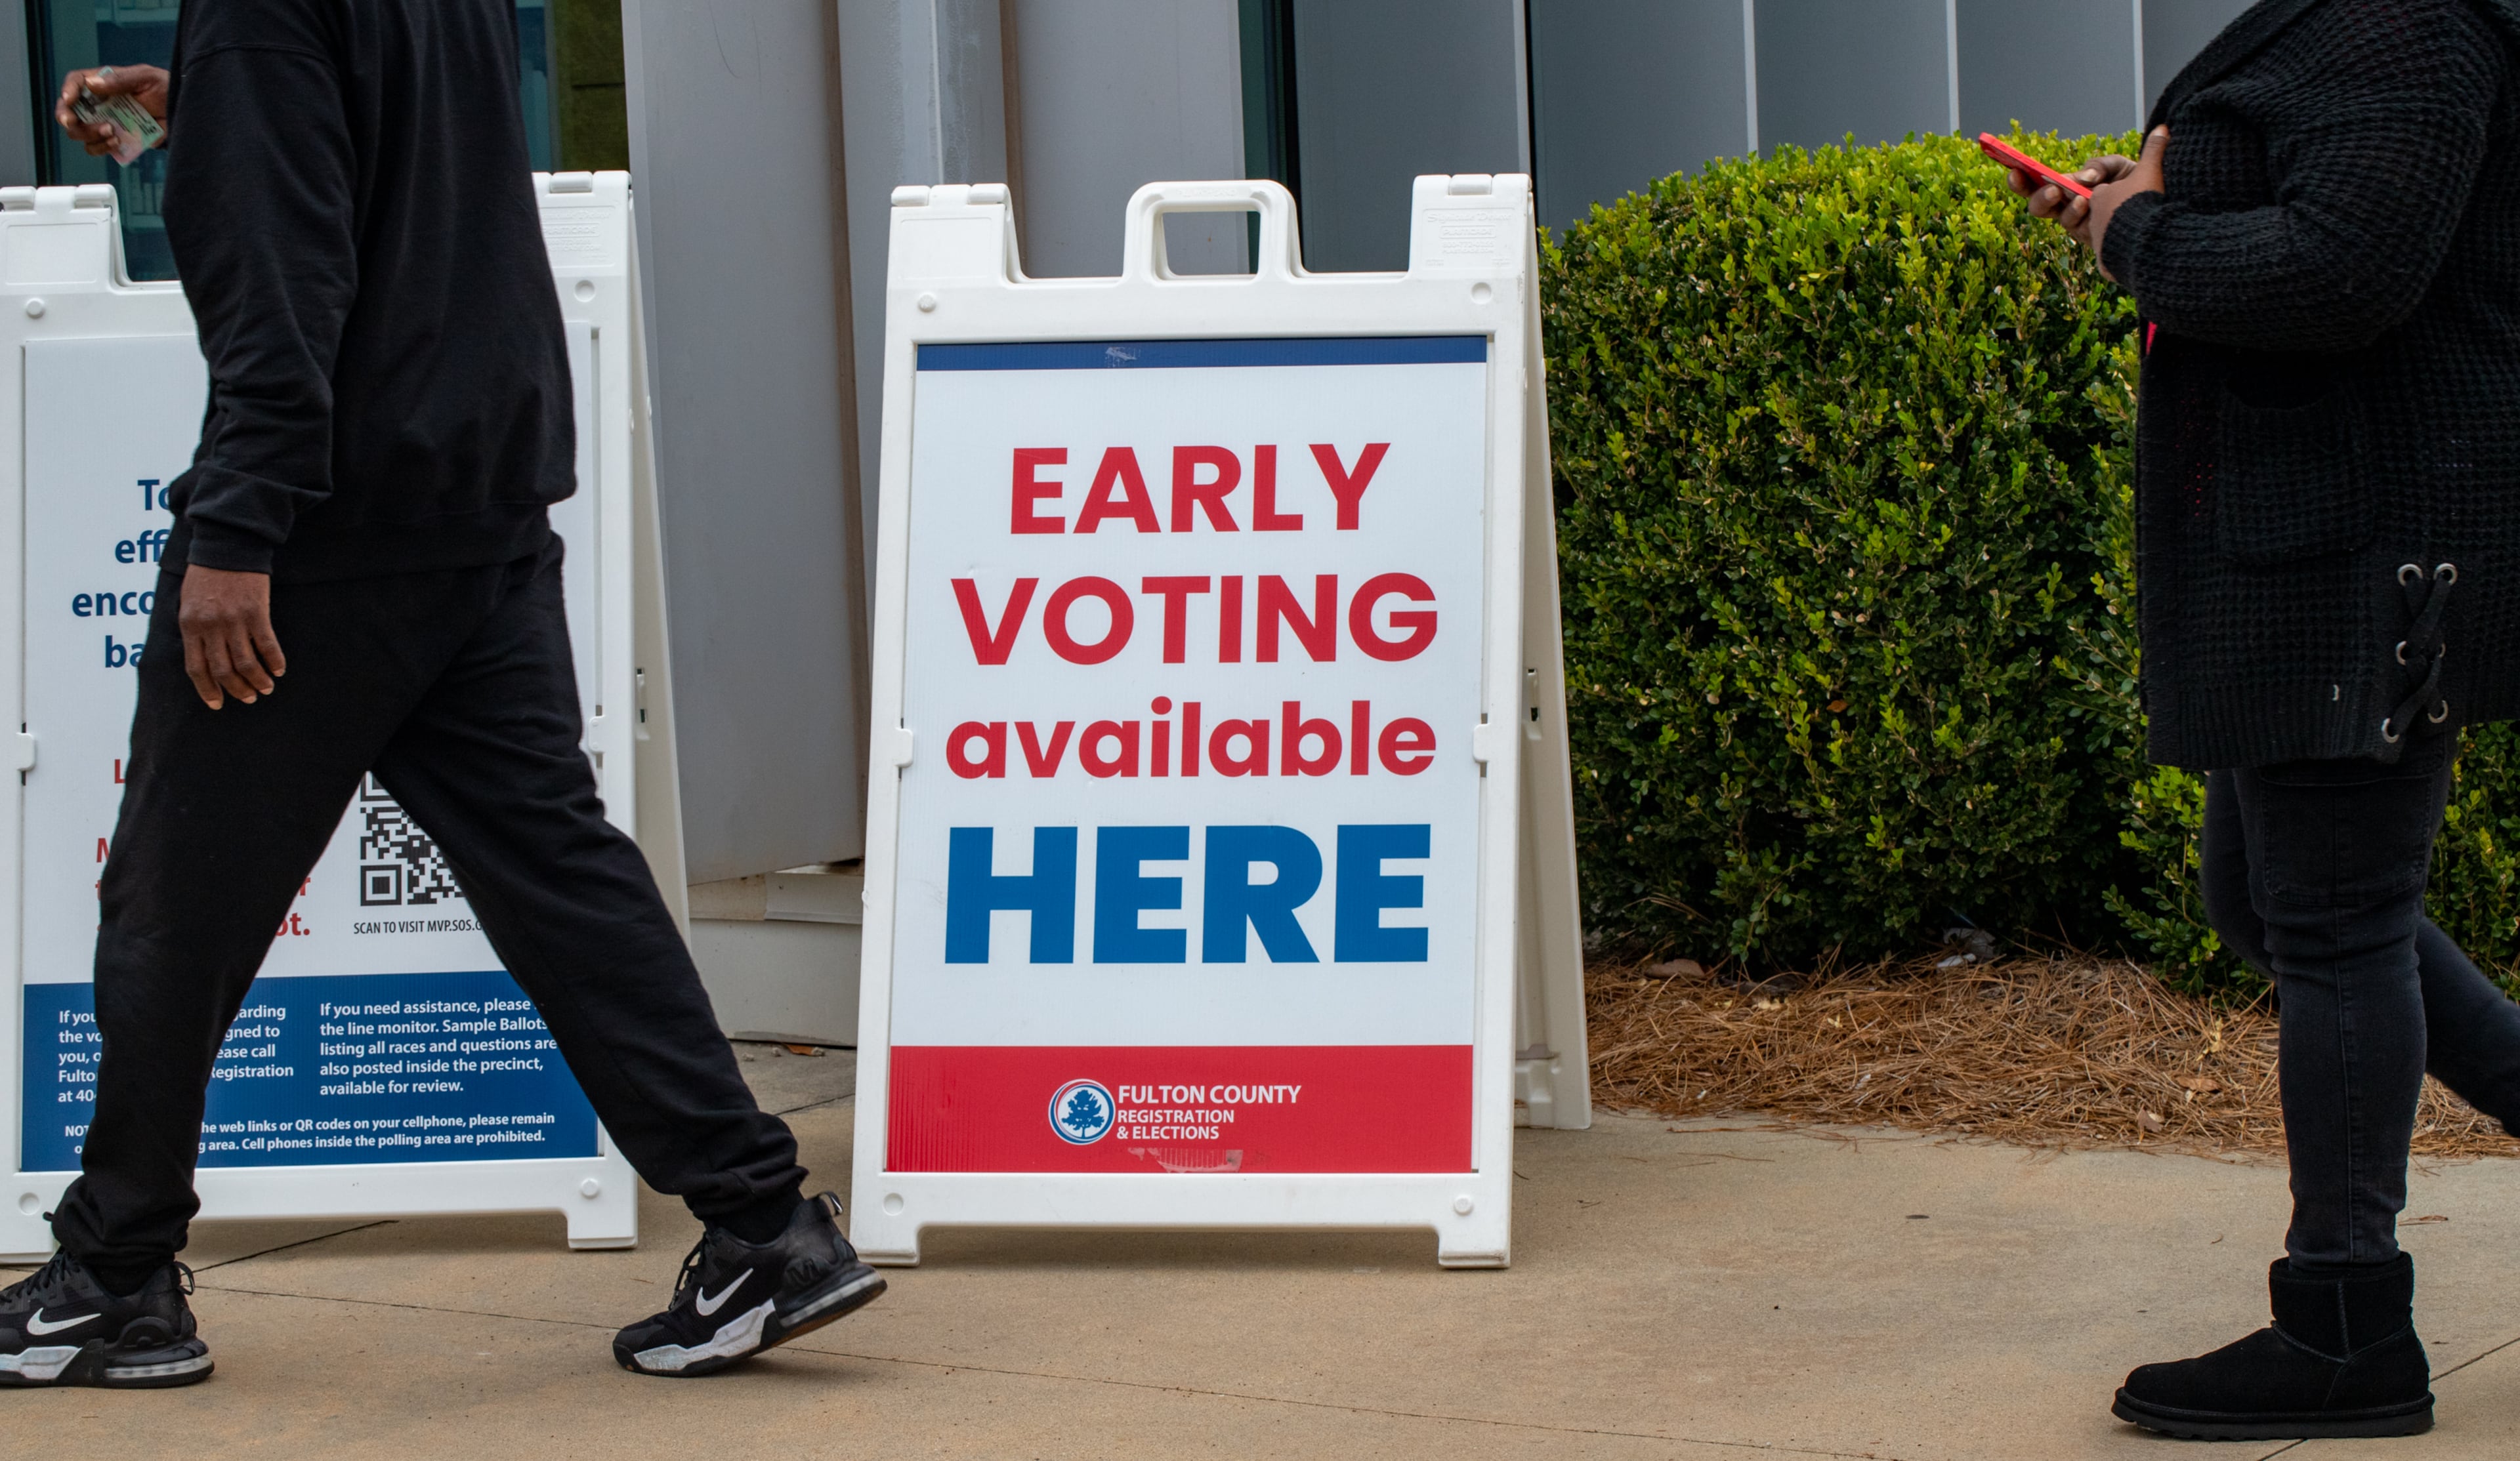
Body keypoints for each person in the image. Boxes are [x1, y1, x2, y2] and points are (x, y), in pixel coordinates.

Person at [0, 1, 882, 1389]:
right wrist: (220, 105)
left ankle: (114, 1276)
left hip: (326, 539)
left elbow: (286, 281)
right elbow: (399, 160)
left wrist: (237, 534)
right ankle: (767, 1226)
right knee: (563, 881)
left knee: (174, 902)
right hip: (479, 496)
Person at [2007, 0, 2520, 1442]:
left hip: (2367, 555)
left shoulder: (2417, 27)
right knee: (2266, 897)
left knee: (2342, 920)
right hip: (2310, 551)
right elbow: (2297, 209)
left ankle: (2348, 1323)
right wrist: (2134, 200)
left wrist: (2137, 237)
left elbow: (2345, 271)